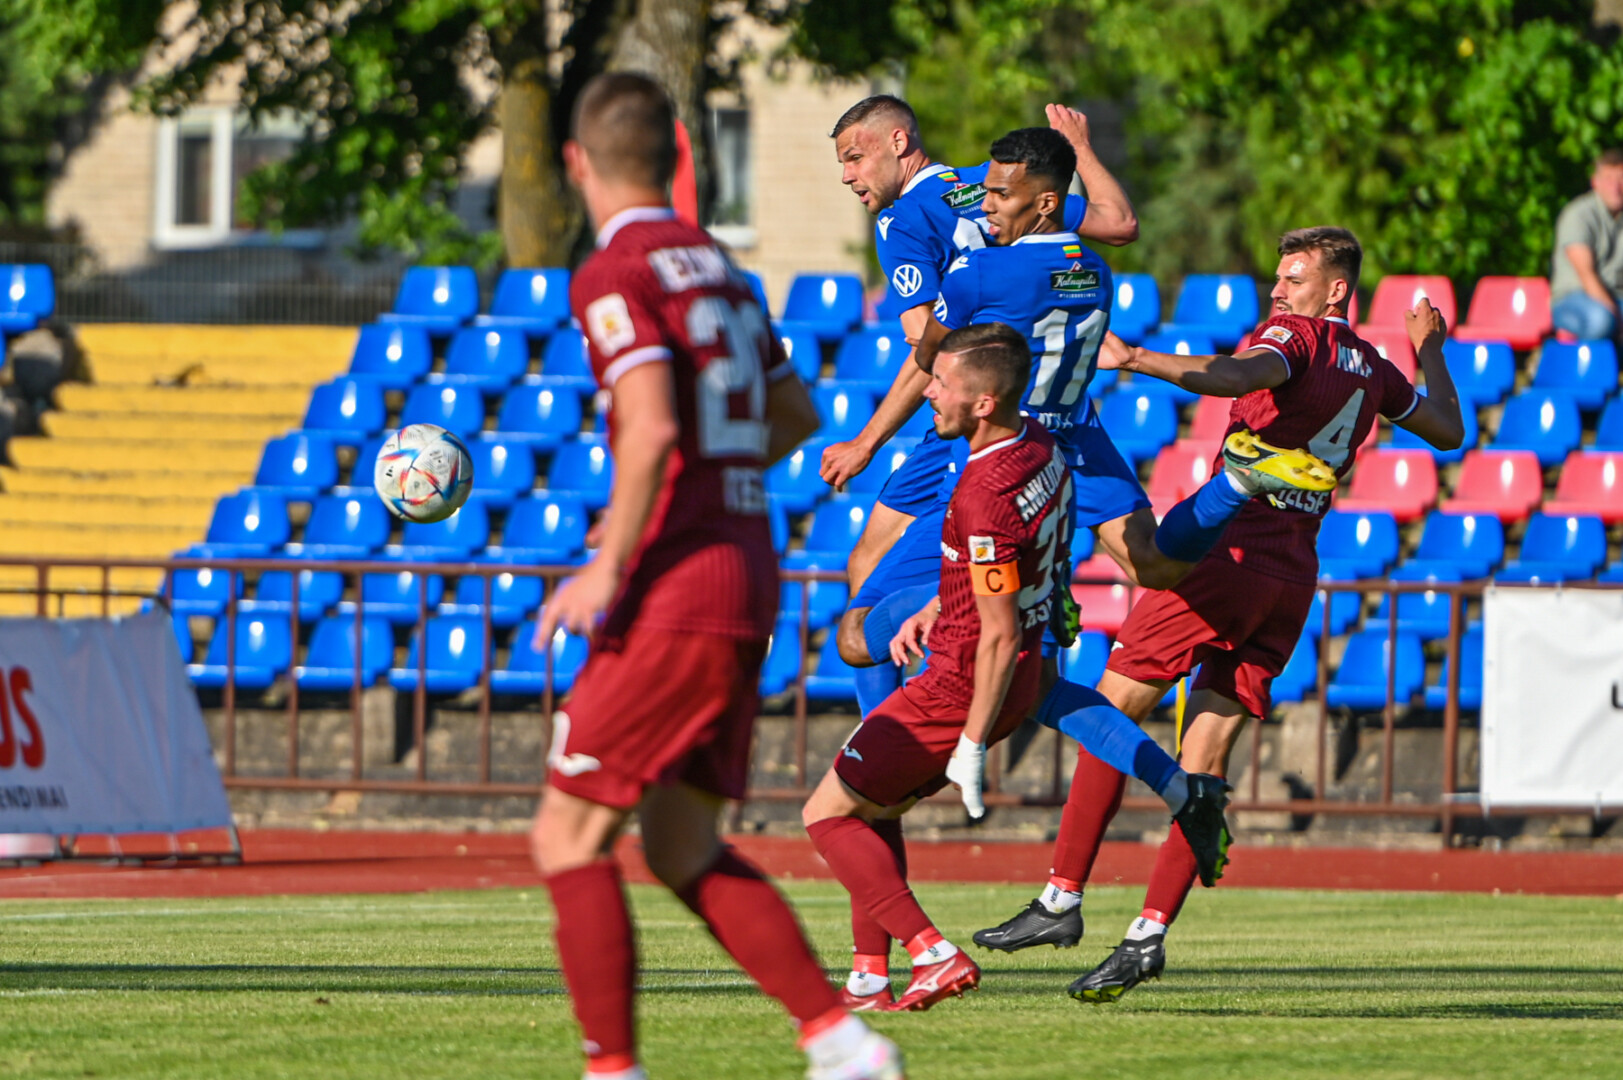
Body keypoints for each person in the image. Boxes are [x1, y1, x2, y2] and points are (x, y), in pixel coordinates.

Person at [973, 227, 1466, 1005]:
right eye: (1277, 277)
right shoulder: (1371, 366)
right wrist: (1428, 349)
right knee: (1202, 758)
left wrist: (1137, 359)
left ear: (1334, 291)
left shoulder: (1295, 337)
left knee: (1109, 714)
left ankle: (1061, 898)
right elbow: (1448, 429)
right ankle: (1146, 936)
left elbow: (1237, 372)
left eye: (1293, 278)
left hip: (1226, 558)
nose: (1277, 289)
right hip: (1290, 579)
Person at [529, 73, 903, 1080]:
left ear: (577, 163)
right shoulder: (722, 272)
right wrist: (704, 479)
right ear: (677, 160)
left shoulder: (615, 270)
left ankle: (612, 1070)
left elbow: (651, 423)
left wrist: (609, 562)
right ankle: (844, 1043)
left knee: (567, 836)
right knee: (680, 844)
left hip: (678, 583)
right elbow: (793, 416)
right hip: (745, 567)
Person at [801, 323, 1235, 1015]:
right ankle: (869, 978)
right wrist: (944, 604)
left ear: (982, 402)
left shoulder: (981, 494)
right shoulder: (1042, 447)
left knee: (827, 812)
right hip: (1019, 671)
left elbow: (997, 630)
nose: (928, 392)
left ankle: (931, 954)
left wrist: (971, 744)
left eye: (942, 383)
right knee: (874, 806)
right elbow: (1013, 577)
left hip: (958, 683)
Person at [822, 95, 1138, 715]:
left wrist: (867, 441)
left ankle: (902, 721)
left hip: (983, 418)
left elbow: (929, 348)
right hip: (1058, 406)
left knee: (877, 592)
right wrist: (1079, 150)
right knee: (1144, 560)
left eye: (855, 158)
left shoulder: (903, 221)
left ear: (899, 143)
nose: (847, 175)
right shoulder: (993, 183)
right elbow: (1118, 224)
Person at [1550, 149, 1623, 342]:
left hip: (1617, 297)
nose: (1616, 187)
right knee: (1601, 320)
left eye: (1621, 179)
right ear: (1595, 182)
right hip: (1574, 298)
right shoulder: (1579, 215)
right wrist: (1616, 316)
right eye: (1608, 179)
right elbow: (1586, 274)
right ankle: (1572, 358)